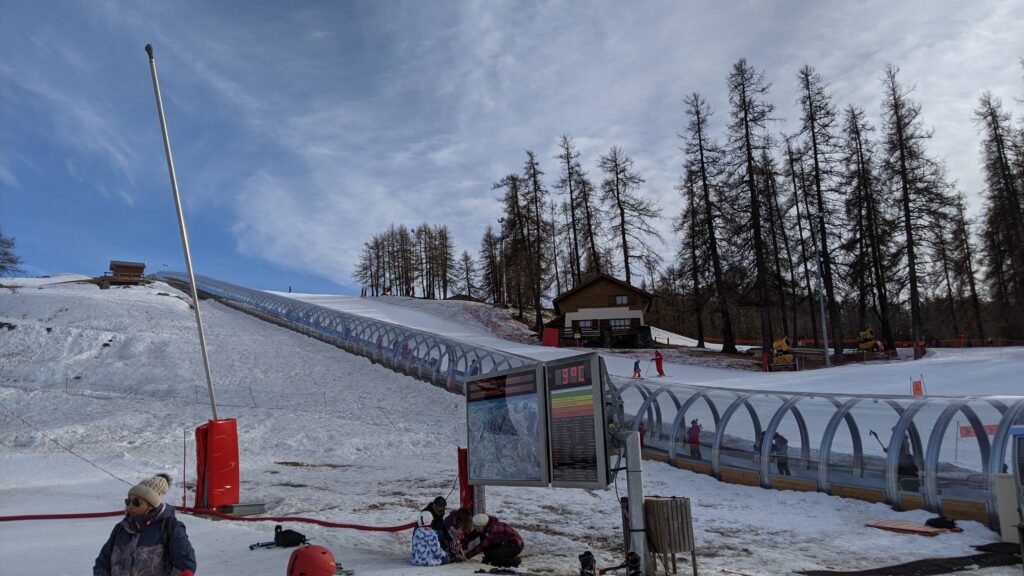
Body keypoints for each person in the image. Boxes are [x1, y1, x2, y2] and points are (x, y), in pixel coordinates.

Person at [94, 473, 196, 576]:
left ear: (151, 504)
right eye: (128, 501)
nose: (130, 506)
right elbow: (103, 562)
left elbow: (185, 565)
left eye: (136, 502)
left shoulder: (171, 528)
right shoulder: (122, 528)